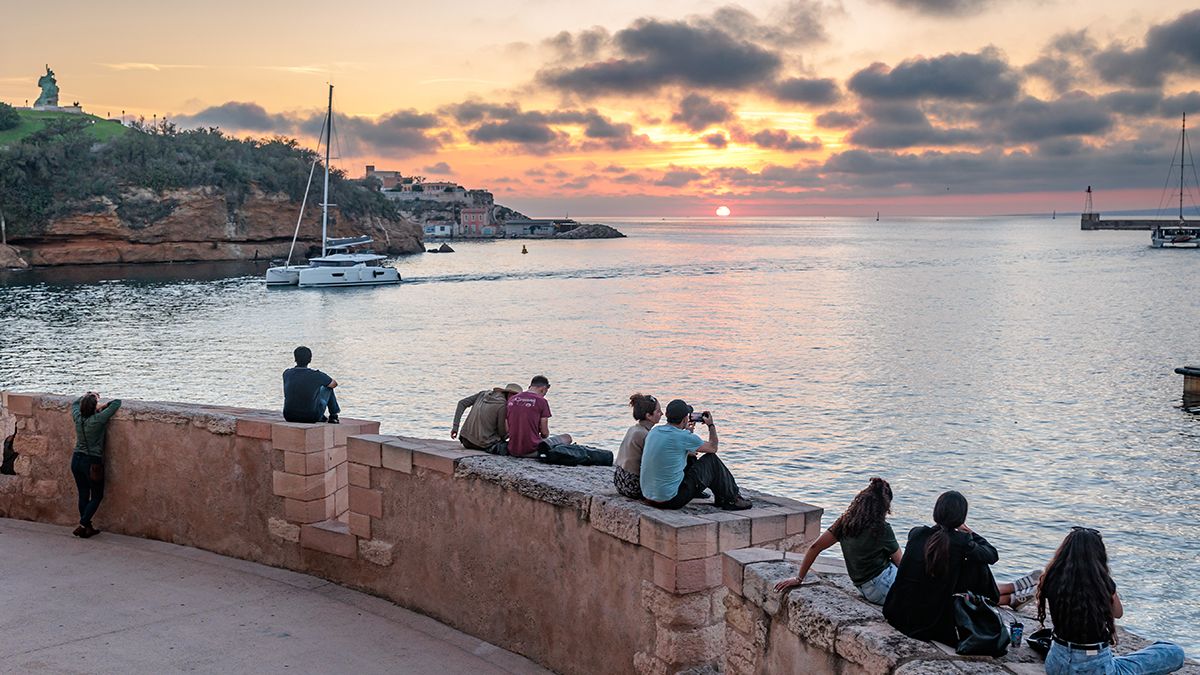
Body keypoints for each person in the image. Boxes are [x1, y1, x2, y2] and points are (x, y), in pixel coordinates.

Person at [883, 491, 1040, 645]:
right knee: (978, 563)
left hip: (898, 613)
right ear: (961, 517)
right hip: (927, 622)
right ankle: (1007, 594)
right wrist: (971, 533)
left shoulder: (916, 533)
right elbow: (992, 555)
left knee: (971, 560)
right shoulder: (961, 541)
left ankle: (1011, 596)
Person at [1040, 527, 1185, 675]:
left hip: (1056, 664)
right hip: (1096, 669)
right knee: (1174, 652)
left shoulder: (1051, 578)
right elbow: (1118, 613)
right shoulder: (1102, 582)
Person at [775, 477, 901, 604]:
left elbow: (815, 547)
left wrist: (799, 578)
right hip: (883, 587)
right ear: (884, 506)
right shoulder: (882, 529)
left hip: (865, 589)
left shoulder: (845, 523)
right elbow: (901, 563)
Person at [639, 399, 752, 511]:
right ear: (685, 419)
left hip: (649, 497)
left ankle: (715, 496)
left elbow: (672, 448)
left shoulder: (655, 431)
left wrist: (687, 433)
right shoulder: (684, 437)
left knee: (690, 457)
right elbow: (713, 448)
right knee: (711, 460)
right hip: (671, 500)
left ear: (667, 415)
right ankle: (731, 500)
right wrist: (711, 425)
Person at [70, 392, 122, 538]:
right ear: (94, 407)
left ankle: (87, 528)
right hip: (92, 462)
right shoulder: (98, 419)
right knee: (97, 495)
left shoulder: (77, 417)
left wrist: (88, 396)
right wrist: (103, 405)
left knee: (83, 494)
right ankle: (83, 524)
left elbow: (74, 403)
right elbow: (117, 402)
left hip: (76, 460)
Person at [505, 375, 571, 458]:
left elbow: (507, 429)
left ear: (530, 386)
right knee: (567, 437)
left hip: (512, 450)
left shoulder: (512, 399)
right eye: (545, 392)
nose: (544, 395)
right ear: (544, 388)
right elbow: (544, 433)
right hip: (531, 450)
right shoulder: (542, 401)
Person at [451, 383, 522, 453]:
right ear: (510, 394)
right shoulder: (502, 406)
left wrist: (455, 427)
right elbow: (502, 433)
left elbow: (462, 403)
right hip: (483, 444)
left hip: (465, 440)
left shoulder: (483, 394)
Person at [614, 393, 661, 499]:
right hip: (632, 486)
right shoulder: (644, 434)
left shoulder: (634, 429)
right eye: (658, 411)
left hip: (619, 480)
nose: (662, 414)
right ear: (648, 416)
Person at [282, 346, 340, 424]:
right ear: (310, 360)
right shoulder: (316, 375)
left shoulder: (287, 373)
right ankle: (333, 416)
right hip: (311, 417)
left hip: (289, 416)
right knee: (327, 387)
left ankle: (322, 416)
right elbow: (334, 384)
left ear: (295, 359)